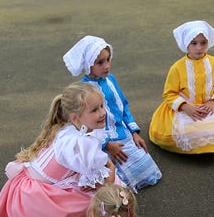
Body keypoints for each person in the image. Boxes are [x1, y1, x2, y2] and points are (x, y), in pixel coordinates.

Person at [0, 82, 119, 217]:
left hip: (27, 187)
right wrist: (111, 174)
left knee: (100, 181)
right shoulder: (78, 143)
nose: (103, 112)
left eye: (102, 106)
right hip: (35, 200)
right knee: (105, 189)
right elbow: (103, 183)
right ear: (75, 118)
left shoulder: (67, 128)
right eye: (94, 110)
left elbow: (96, 163)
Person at [63, 35, 162, 192]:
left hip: (123, 134)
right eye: (100, 62)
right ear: (88, 64)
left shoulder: (111, 79)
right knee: (115, 178)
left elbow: (123, 105)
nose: (107, 66)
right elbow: (86, 124)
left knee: (148, 171)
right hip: (101, 141)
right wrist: (107, 145)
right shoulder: (84, 89)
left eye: (108, 60)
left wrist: (134, 132)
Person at [148, 21, 214, 154]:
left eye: (203, 43)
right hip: (185, 107)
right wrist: (185, 107)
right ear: (186, 44)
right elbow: (169, 94)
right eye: (194, 43)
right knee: (184, 132)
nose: (199, 48)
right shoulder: (177, 68)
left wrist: (213, 102)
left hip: (210, 105)